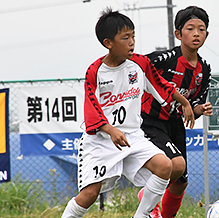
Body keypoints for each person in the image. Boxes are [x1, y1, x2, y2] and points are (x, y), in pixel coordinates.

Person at [60, 9, 195, 218]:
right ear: (108, 43)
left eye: (133, 36)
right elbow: (91, 110)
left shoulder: (141, 64)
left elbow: (161, 86)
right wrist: (110, 130)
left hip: (132, 136)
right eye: (125, 38)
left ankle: (142, 216)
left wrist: (184, 102)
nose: (132, 42)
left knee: (164, 166)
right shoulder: (95, 71)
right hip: (101, 140)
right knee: (89, 194)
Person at [139, 6, 212, 218]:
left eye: (202, 29)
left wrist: (198, 109)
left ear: (207, 34)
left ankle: (159, 210)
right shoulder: (165, 59)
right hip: (150, 121)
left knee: (181, 182)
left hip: (174, 124)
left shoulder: (204, 69)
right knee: (176, 165)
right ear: (178, 34)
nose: (196, 33)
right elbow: (138, 67)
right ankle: (148, 197)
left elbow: (195, 103)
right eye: (190, 28)